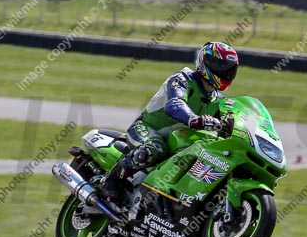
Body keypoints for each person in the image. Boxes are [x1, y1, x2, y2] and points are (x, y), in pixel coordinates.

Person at [101, 41, 239, 205]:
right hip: (147, 129)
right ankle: (112, 181)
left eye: (229, 68)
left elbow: (230, 126)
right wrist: (194, 119)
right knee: (155, 148)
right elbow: (174, 104)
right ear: (204, 62)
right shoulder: (183, 78)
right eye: (219, 65)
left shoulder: (219, 101)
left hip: (179, 143)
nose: (224, 72)